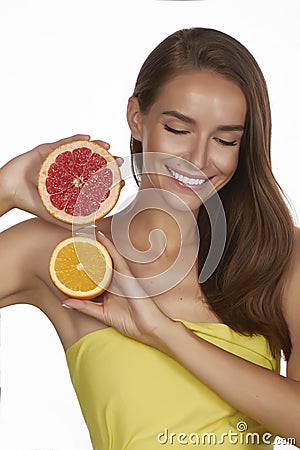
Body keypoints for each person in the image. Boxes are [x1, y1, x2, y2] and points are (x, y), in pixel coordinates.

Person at [0, 27, 299, 450]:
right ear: (137, 119)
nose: (197, 160)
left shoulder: (280, 256)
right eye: (178, 129)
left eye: (225, 139)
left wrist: (160, 331)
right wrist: (7, 187)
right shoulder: (65, 254)